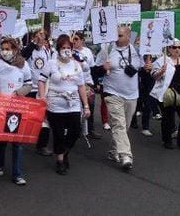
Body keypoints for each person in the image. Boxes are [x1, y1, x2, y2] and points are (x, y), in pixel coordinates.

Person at [38, 34, 91, 175]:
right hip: (55, 104)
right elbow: (42, 80)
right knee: (58, 133)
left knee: (75, 131)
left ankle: (64, 151)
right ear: (58, 49)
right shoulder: (51, 63)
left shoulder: (76, 66)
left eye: (68, 47)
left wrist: (86, 105)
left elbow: (81, 86)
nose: (66, 50)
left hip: (73, 103)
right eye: (63, 47)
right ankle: (60, 160)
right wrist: (42, 98)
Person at [0, 37, 32, 185]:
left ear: (15, 49)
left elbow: (29, 83)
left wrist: (19, 92)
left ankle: (17, 174)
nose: (5, 51)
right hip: (0, 106)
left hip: (17, 106)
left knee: (17, 142)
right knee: (1, 139)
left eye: (8, 49)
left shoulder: (23, 64)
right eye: (3, 48)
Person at [95, 26, 142, 171]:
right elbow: (94, 71)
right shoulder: (107, 50)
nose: (117, 38)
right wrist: (103, 68)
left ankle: (113, 151)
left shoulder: (136, 51)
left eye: (120, 35)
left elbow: (145, 70)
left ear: (128, 37)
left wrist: (148, 66)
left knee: (123, 127)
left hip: (132, 95)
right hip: (112, 93)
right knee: (119, 125)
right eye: (116, 35)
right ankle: (126, 156)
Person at [151, 39, 180, 150]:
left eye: (179, 47)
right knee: (168, 117)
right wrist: (161, 72)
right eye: (174, 47)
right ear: (168, 48)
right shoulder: (162, 61)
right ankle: (167, 140)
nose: (177, 49)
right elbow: (154, 76)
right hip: (169, 93)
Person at [21, 29, 52, 156]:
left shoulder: (47, 51)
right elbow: (22, 57)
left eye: (43, 35)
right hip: (29, 88)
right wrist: (33, 44)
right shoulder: (29, 49)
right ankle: (19, 140)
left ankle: (42, 145)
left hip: (42, 89)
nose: (40, 37)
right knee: (25, 117)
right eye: (38, 35)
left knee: (44, 119)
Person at [72, 31, 101, 139]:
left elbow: (92, 68)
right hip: (75, 84)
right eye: (73, 39)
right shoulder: (70, 51)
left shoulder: (87, 51)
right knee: (76, 108)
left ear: (82, 41)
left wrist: (96, 82)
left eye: (76, 39)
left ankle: (91, 129)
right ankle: (77, 129)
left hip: (88, 83)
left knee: (90, 106)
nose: (74, 41)